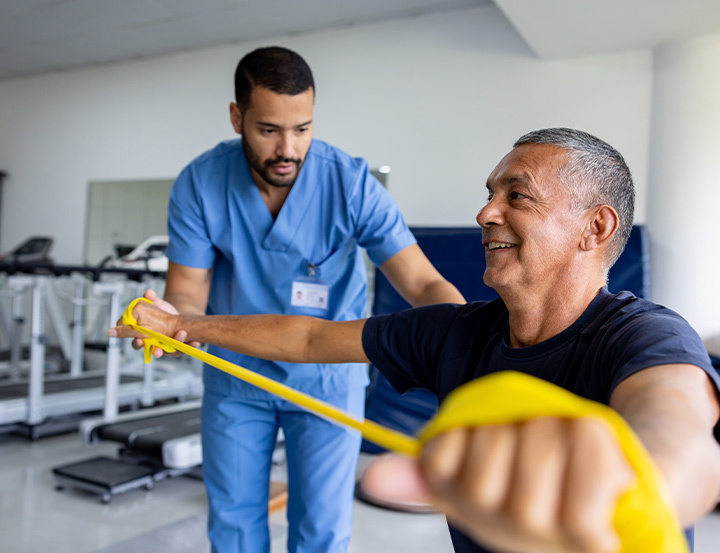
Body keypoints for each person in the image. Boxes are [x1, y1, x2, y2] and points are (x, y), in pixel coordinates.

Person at [113, 127, 720, 553]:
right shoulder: (455, 333)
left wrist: (629, 477)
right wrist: (178, 324)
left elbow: (680, 436)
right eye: (489, 194)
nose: (485, 212)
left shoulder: (645, 334)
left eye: (517, 196)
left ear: (596, 227)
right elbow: (308, 338)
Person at [147, 45, 465, 553]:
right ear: (237, 118)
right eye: (268, 130)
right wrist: (169, 318)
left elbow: (423, 284)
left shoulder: (351, 183)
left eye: (302, 129)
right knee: (232, 525)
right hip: (236, 376)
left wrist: (468, 339)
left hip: (327, 377)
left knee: (320, 530)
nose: (288, 149)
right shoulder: (201, 183)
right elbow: (186, 290)